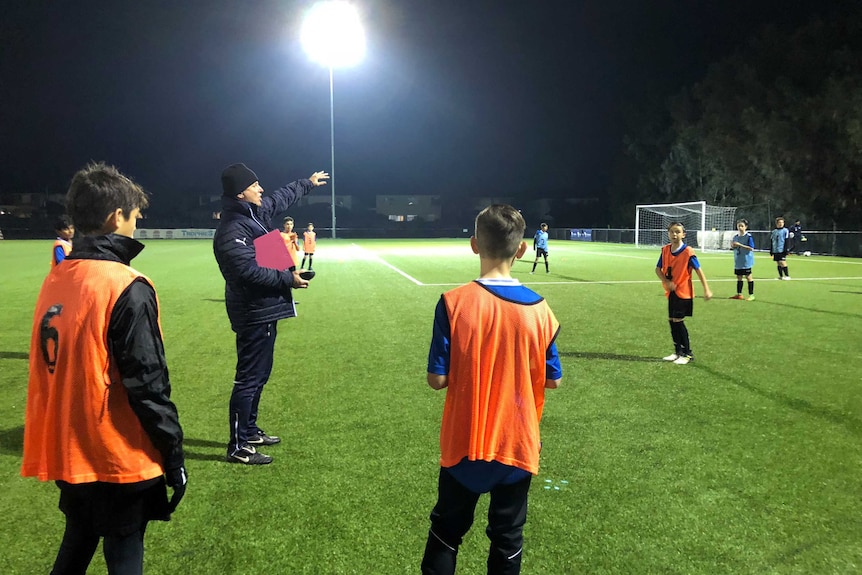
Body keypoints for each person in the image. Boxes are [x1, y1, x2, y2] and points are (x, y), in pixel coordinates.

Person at [21, 162, 187, 574]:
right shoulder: (125, 284)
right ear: (116, 217)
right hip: (116, 452)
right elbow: (147, 384)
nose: (138, 221)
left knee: (78, 537)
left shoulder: (58, 277)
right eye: (134, 214)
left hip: (69, 446)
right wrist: (173, 454)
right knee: (124, 546)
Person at [422, 204, 562, 575]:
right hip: (517, 442)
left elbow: (437, 380)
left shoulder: (453, 303)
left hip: (465, 442)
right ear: (522, 250)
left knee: (447, 534)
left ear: (473, 245)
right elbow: (554, 379)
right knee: (507, 539)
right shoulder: (542, 311)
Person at [213, 163, 328, 465]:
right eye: (255, 185)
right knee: (248, 379)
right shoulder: (233, 228)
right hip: (253, 312)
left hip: (265, 309)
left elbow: (280, 198)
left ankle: (249, 431)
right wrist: (287, 279)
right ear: (241, 192)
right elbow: (245, 271)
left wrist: (307, 182)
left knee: (260, 375)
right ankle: (238, 446)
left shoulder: (253, 216)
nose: (261, 189)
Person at [655, 221, 713, 365]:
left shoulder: (688, 252)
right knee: (671, 321)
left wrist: (706, 289)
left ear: (683, 234)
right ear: (668, 233)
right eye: (672, 231)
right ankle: (677, 352)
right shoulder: (665, 250)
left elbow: (699, 270)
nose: (674, 234)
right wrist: (666, 282)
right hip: (671, 292)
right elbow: (657, 269)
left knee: (678, 321)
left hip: (683, 292)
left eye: (677, 232)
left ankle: (687, 353)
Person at [729, 218, 756, 301]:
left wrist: (739, 245)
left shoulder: (748, 236)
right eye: (738, 226)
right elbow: (733, 247)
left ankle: (751, 295)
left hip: (746, 261)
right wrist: (733, 246)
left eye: (742, 226)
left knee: (748, 277)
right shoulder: (735, 237)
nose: (740, 228)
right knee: (739, 277)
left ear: (745, 227)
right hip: (738, 261)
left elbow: (751, 248)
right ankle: (739, 294)